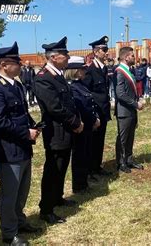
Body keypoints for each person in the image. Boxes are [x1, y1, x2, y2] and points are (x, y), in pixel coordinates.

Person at [0, 42, 41, 245]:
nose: (21, 64)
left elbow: (21, 114)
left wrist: (33, 127)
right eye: (17, 61)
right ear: (5, 65)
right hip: (8, 151)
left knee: (22, 190)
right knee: (9, 193)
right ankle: (9, 233)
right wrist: (25, 132)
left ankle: (19, 221)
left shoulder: (16, 85)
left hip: (22, 148)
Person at [34, 37, 83, 224]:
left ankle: (57, 197)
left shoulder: (57, 75)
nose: (68, 56)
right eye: (65, 54)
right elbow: (55, 107)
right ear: (54, 57)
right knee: (53, 169)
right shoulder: (43, 78)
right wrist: (75, 122)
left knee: (62, 166)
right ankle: (46, 209)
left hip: (66, 130)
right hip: (56, 132)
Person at [65, 56, 101, 192]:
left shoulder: (80, 84)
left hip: (88, 126)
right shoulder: (72, 87)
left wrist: (94, 118)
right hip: (81, 126)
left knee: (85, 154)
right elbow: (81, 109)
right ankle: (79, 186)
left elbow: (90, 104)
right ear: (75, 70)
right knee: (79, 156)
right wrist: (92, 120)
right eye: (82, 69)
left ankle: (84, 181)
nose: (85, 72)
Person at [82, 36, 112, 176]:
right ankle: (89, 169)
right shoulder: (90, 69)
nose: (107, 52)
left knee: (100, 140)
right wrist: (92, 115)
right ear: (96, 52)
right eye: (104, 50)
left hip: (103, 110)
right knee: (92, 142)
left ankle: (97, 166)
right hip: (95, 112)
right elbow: (86, 93)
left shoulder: (104, 68)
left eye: (107, 49)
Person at [114, 46, 145, 173]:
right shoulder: (119, 71)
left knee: (130, 136)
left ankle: (129, 159)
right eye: (132, 56)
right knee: (123, 137)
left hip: (130, 110)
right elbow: (120, 93)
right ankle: (121, 163)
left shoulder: (129, 70)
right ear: (126, 57)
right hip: (124, 110)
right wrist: (135, 104)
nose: (134, 57)